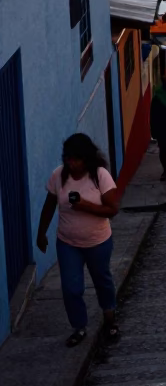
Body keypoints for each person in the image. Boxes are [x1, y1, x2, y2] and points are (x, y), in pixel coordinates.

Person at [35, 133, 120, 348]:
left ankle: (110, 318)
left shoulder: (100, 175)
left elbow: (112, 209)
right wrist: (41, 232)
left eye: (76, 159)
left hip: (98, 242)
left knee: (102, 280)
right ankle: (79, 326)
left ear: (87, 158)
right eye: (68, 159)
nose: (71, 163)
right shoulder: (58, 176)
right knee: (71, 288)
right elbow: (49, 205)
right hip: (68, 243)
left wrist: (85, 206)